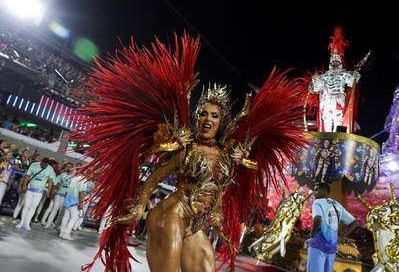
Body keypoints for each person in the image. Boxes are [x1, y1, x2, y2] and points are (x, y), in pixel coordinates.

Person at [76, 34, 306, 272]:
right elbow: (154, 178)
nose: (208, 119)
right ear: (197, 117)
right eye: (203, 114)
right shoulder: (185, 146)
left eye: (214, 116)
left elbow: (222, 187)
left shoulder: (227, 154)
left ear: (221, 121)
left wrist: (217, 219)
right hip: (171, 215)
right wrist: (137, 207)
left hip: (194, 225)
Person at [308, 26, 361, 132]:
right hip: (326, 99)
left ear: (340, 61)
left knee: (338, 119)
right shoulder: (325, 76)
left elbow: (352, 82)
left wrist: (355, 76)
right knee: (327, 120)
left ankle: (337, 140)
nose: (335, 61)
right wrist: (312, 84)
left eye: (337, 59)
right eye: (333, 59)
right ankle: (326, 139)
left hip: (338, 98)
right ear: (330, 62)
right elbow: (315, 88)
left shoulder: (343, 74)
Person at [307, 182, 358, 272]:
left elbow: (318, 218)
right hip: (332, 247)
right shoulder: (337, 205)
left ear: (324, 191)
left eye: (316, 190)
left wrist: (312, 234)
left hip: (318, 245)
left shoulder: (317, 202)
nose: (314, 192)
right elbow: (354, 223)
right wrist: (340, 237)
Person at [16, 157, 55, 230]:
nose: (44, 166)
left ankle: (27, 223)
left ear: (47, 164)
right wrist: (24, 185)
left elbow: (50, 181)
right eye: (43, 164)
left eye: (45, 165)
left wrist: (48, 191)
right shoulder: (34, 165)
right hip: (30, 189)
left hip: (39, 192)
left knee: (33, 207)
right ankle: (21, 222)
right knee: (26, 206)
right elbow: (27, 175)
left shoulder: (50, 169)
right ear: (41, 162)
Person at [42, 163, 73, 228]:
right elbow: (57, 184)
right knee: (54, 209)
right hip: (59, 195)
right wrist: (53, 192)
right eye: (67, 167)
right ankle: (48, 223)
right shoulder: (62, 175)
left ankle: (57, 225)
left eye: (70, 167)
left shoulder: (74, 177)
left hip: (66, 196)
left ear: (72, 168)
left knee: (62, 212)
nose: (68, 168)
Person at [59, 167, 86, 240]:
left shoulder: (73, 178)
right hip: (74, 201)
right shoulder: (83, 180)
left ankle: (62, 233)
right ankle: (66, 233)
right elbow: (81, 192)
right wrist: (81, 203)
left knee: (66, 217)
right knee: (74, 217)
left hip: (67, 199)